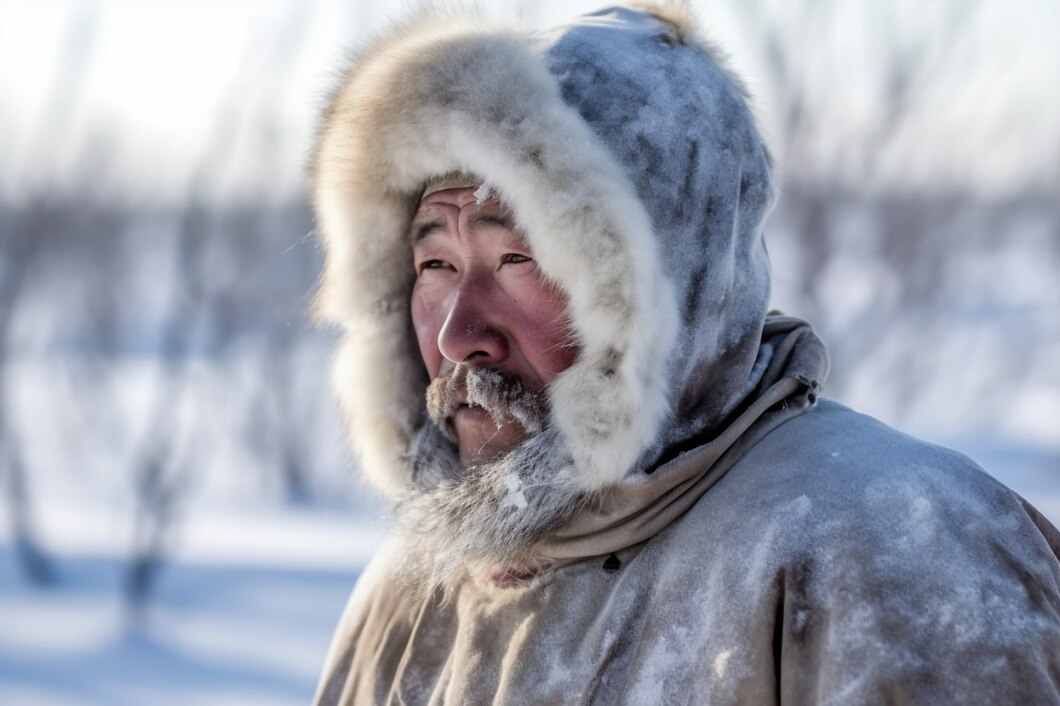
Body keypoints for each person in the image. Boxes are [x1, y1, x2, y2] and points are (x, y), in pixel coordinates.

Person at [309, 5, 1060, 704]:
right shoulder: (412, 591)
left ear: (669, 284)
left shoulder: (889, 555)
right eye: (434, 266)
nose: (456, 336)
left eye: (518, 259)